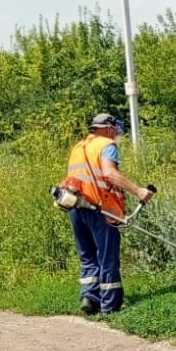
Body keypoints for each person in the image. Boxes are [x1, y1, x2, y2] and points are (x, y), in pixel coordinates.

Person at [60, 112, 154, 315]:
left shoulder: (78, 147)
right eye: (115, 130)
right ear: (109, 129)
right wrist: (138, 191)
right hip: (99, 208)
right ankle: (110, 305)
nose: (116, 134)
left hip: (75, 207)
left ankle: (89, 298)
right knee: (107, 257)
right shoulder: (107, 145)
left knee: (88, 256)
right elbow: (110, 173)